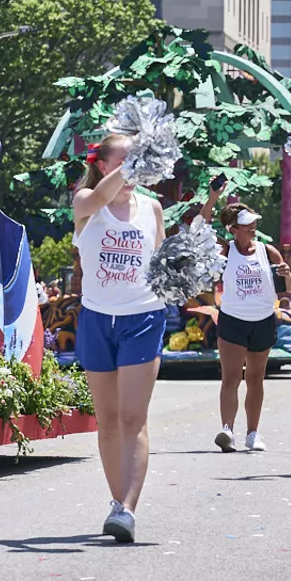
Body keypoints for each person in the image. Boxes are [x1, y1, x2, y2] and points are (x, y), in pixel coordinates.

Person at [72, 134, 168, 543]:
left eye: (139, 161)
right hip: (96, 319)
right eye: (127, 161)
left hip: (142, 317)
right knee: (108, 423)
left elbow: (162, 264)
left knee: (133, 418)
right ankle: (117, 504)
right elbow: (93, 202)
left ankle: (128, 507)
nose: (135, 169)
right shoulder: (85, 202)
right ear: (103, 164)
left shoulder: (152, 208)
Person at [200, 182, 291, 453]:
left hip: (263, 320)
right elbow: (202, 229)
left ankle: (253, 434)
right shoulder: (225, 250)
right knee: (231, 378)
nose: (252, 226)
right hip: (233, 320)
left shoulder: (269, 251)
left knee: (256, 378)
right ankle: (227, 430)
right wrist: (213, 197)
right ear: (233, 229)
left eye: (253, 222)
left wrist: (288, 276)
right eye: (246, 223)